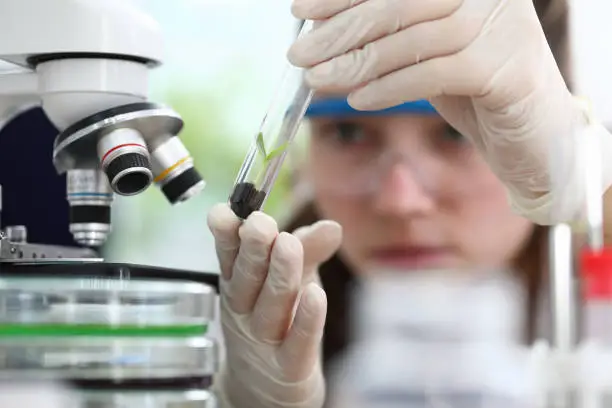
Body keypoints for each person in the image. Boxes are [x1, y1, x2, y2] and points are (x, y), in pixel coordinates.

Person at [208, 0, 612, 407]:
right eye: (347, 133)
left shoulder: (599, 310)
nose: (400, 202)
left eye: (456, 135)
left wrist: (584, 172)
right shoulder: (244, 325)